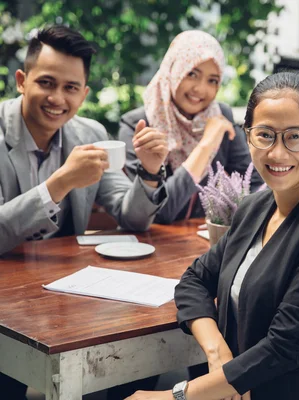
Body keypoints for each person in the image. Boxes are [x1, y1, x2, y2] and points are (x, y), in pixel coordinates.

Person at [126, 72, 299, 400]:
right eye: (265, 135)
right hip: (240, 387)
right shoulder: (255, 206)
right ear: (248, 137)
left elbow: (284, 347)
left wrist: (174, 397)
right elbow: (194, 281)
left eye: (295, 137)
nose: (277, 153)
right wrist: (218, 353)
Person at [0, 25, 169, 398]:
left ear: (84, 93)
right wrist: (59, 183)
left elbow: (132, 217)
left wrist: (151, 172)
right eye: (46, 82)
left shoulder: (88, 135)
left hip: (67, 300)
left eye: (71, 87)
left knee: (128, 366)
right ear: (21, 81)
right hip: (5, 306)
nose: (57, 98)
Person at [119, 30, 262, 224]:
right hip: (151, 244)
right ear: (173, 71)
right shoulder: (138, 126)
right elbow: (159, 213)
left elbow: (255, 183)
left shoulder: (219, 115)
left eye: (212, 80)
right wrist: (206, 145)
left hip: (207, 242)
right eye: (192, 74)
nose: (200, 89)